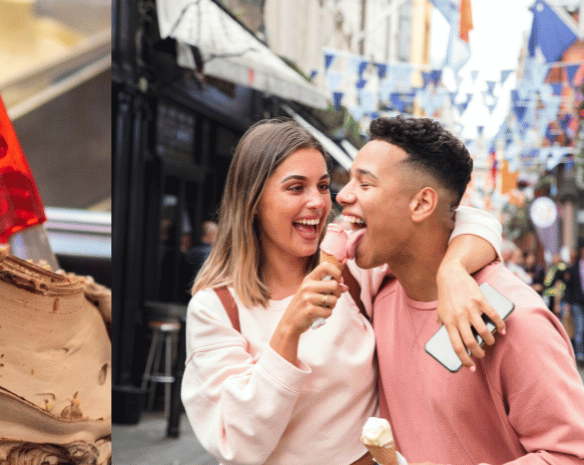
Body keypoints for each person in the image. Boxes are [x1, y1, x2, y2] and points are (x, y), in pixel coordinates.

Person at [180, 119, 503, 465]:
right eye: (295, 188)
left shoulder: (355, 268)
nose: (318, 202)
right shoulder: (215, 307)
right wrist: (289, 330)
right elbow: (238, 444)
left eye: (321, 186)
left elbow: (468, 220)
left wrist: (453, 272)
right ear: (254, 200)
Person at [336, 115, 584, 464]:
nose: (343, 195)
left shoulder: (515, 318)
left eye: (365, 185)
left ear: (422, 203)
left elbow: (571, 454)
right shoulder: (379, 290)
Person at [561, 242, 584, 364]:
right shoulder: (572, 268)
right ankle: (580, 354)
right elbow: (568, 287)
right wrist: (567, 304)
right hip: (577, 302)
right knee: (579, 328)